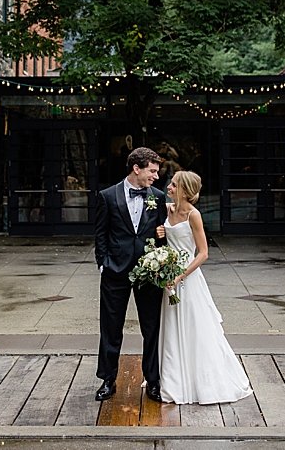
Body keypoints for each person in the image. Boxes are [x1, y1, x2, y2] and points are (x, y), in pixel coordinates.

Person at [154, 170, 251, 405]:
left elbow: (203, 253)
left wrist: (180, 276)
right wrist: (161, 233)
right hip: (168, 274)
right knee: (170, 326)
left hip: (187, 278)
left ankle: (202, 380)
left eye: (174, 185)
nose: (169, 187)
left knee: (194, 326)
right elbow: (160, 231)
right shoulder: (168, 209)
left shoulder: (193, 215)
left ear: (185, 191)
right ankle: (172, 377)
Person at [91, 146, 167, 404]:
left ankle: (153, 382)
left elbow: (163, 233)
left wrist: (161, 257)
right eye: (152, 171)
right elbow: (100, 233)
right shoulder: (107, 196)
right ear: (137, 168)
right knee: (111, 327)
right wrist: (103, 263)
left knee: (152, 328)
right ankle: (107, 379)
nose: (156, 176)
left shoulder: (156, 197)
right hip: (115, 271)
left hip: (149, 271)